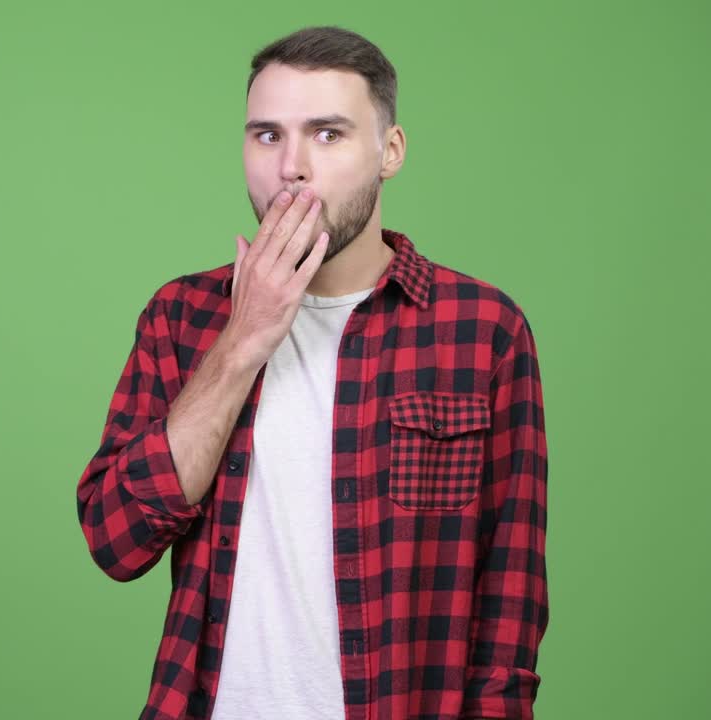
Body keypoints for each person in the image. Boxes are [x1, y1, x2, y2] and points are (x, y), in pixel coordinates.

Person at [77, 26, 548, 720]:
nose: (291, 166)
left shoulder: (483, 332)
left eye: (327, 135)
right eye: (267, 135)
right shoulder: (181, 318)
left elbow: (509, 603)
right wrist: (244, 339)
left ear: (390, 152)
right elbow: (116, 539)